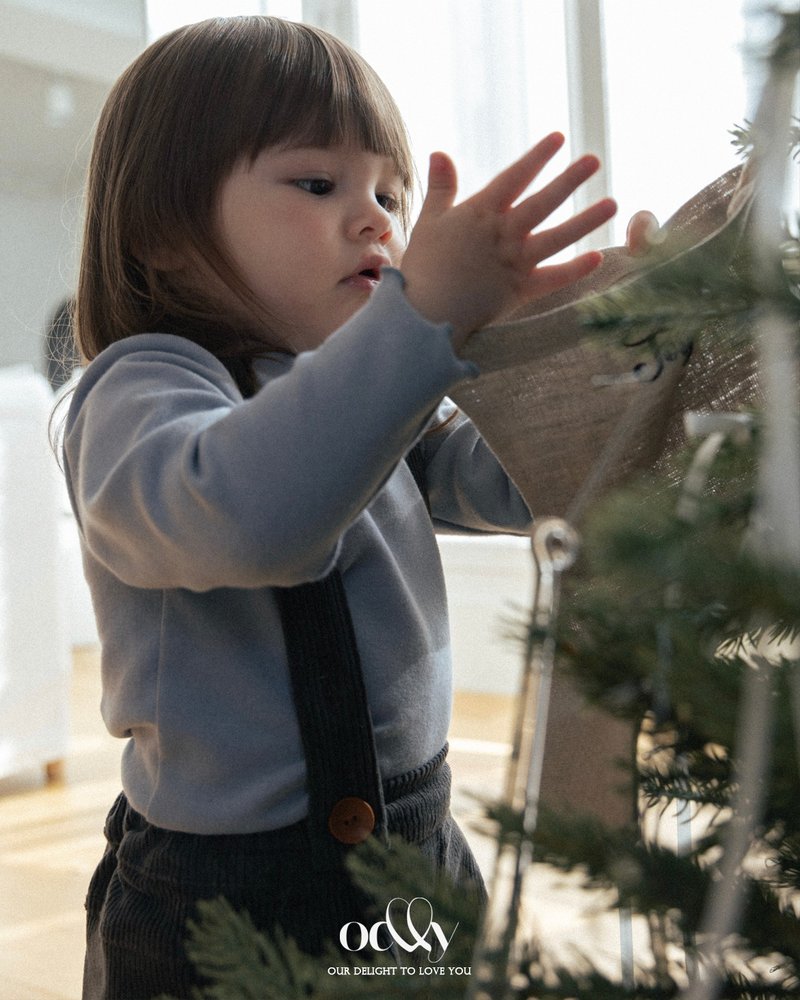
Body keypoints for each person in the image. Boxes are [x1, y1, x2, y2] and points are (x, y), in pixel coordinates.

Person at [63, 15, 626, 999]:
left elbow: (523, 479)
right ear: (163, 234)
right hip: (224, 896)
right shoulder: (138, 391)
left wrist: (612, 358)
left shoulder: (372, 392)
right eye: (318, 184)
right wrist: (418, 325)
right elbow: (251, 516)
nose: (375, 220)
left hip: (417, 851)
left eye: (390, 194)